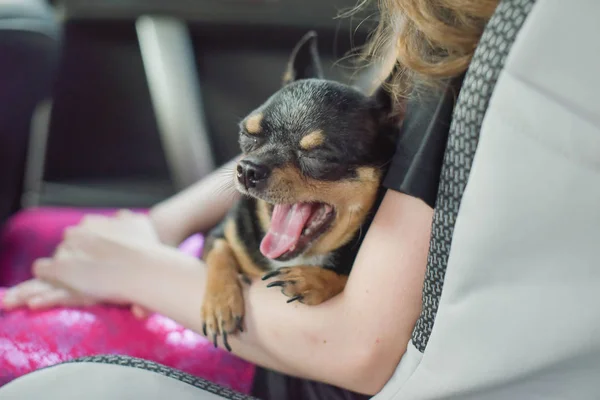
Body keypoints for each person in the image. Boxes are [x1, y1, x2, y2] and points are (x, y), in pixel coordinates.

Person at [1, 0, 500, 398]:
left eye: (318, 160)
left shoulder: (453, 65)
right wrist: (158, 226)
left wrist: (133, 270)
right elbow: (287, 145)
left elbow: (356, 352)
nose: (254, 166)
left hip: (293, 363)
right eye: (250, 139)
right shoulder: (432, 37)